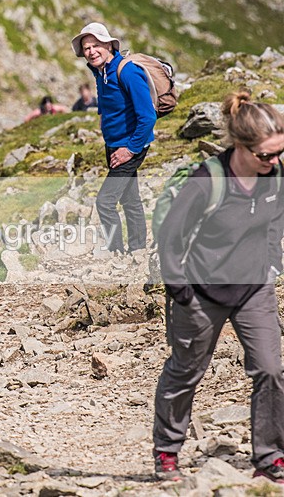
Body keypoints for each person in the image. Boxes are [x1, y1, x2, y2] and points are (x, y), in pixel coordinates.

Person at [153, 91, 284, 483]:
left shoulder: (275, 175)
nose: (274, 161)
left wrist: (272, 261)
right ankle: (167, 453)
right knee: (185, 372)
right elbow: (171, 238)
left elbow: (276, 219)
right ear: (241, 146)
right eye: (266, 154)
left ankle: (271, 458)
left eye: (280, 152)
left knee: (271, 370)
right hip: (200, 292)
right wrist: (180, 290)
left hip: (254, 288)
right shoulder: (206, 182)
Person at [71, 22, 156, 253]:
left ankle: (115, 251)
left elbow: (148, 116)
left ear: (109, 45)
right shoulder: (100, 72)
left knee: (105, 202)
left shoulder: (127, 71)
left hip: (131, 145)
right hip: (114, 145)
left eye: (96, 45)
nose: (91, 51)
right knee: (130, 199)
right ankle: (137, 249)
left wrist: (130, 150)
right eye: (87, 48)